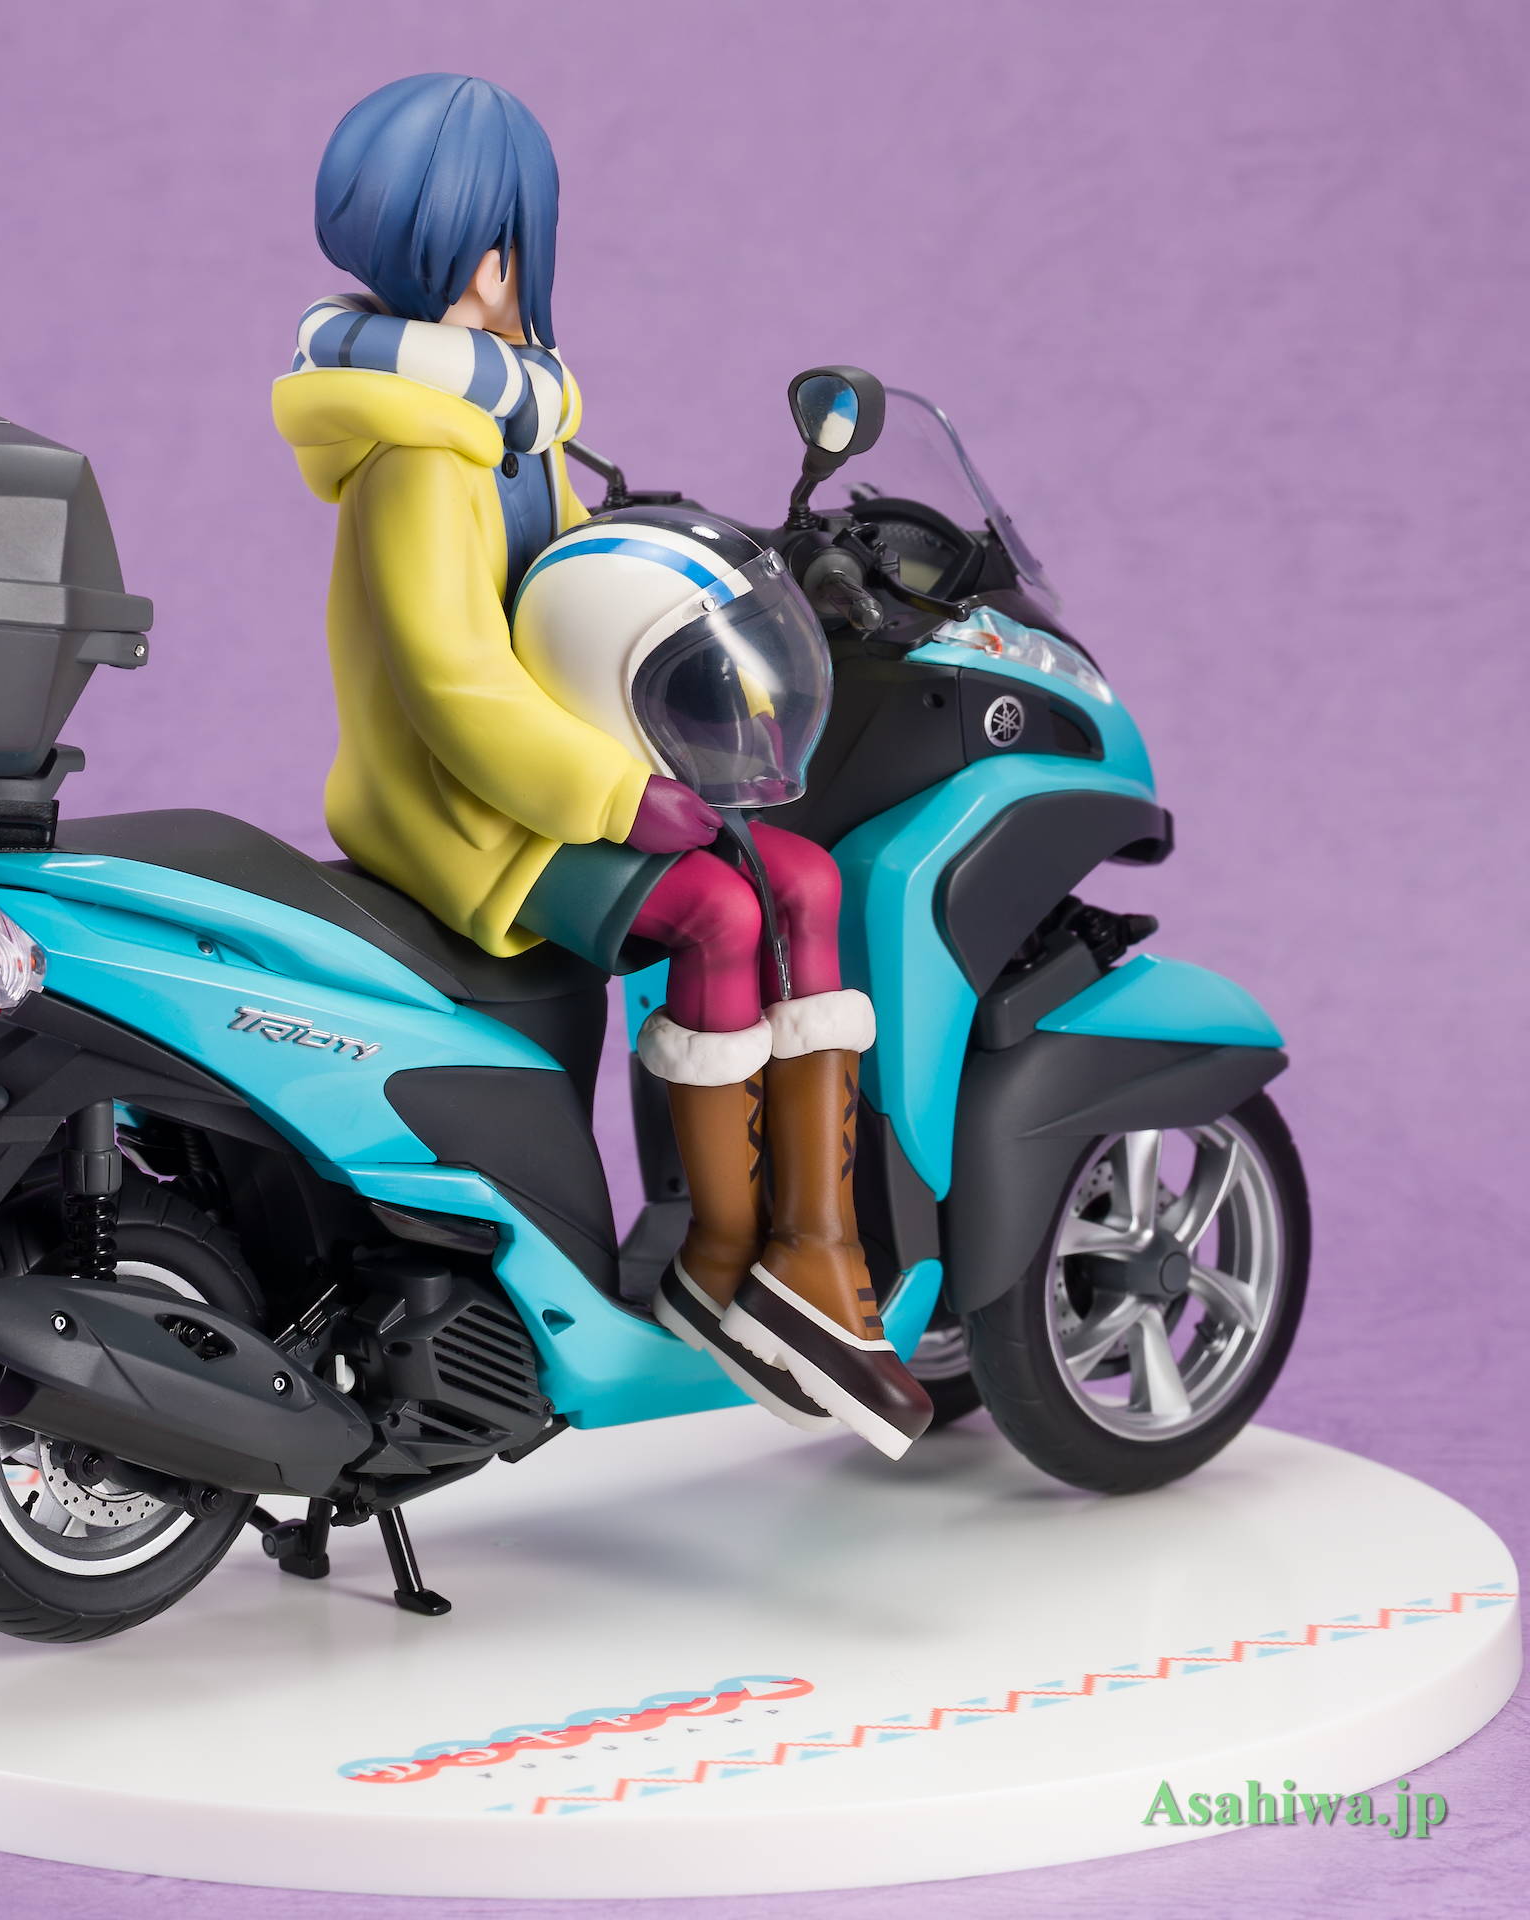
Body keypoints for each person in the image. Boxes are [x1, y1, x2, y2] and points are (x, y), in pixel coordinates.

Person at [272, 73, 930, 1460]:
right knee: (723, 910)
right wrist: (621, 793)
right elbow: (455, 684)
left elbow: (568, 580)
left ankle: (814, 1249)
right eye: (510, 242)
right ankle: (719, 1252)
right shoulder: (421, 456)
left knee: (805, 880)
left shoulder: (509, 423)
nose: (515, 269)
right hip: (468, 819)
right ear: (490, 259)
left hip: (539, 784)